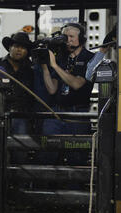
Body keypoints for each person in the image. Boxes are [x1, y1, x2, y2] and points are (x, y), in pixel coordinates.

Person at [40, 23, 95, 166]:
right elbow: (52, 89)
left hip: (78, 114)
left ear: (81, 39)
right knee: (47, 155)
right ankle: (45, 186)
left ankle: (74, 187)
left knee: (76, 159)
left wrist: (55, 66)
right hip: (57, 112)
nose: (68, 40)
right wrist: (45, 66)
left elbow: (77, 84)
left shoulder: (90, 58)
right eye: (65, 37)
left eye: (72, 36)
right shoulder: (61, 58)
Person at [0, 32, 34, 163]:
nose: (19, 50)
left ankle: (18, 181)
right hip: (0, 114)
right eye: (16, 46)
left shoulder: (31, 70)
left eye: (23, 48)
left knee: (20, 151)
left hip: (21, 115)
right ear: (10, 47)